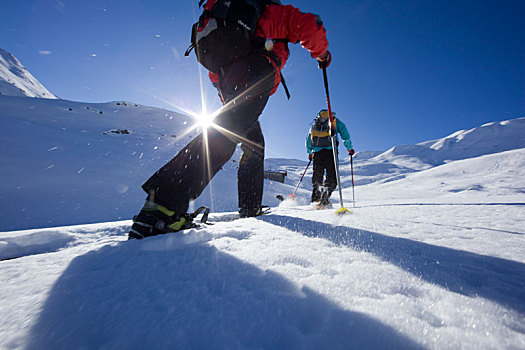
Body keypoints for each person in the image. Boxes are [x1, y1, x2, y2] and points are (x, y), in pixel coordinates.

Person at [129, 1, 332, 239]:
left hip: (229, 80)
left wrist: (225, 94)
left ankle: (249, 206)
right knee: (226, 134)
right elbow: (310, 25)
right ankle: (162, 208)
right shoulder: (269, 11)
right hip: (256, 72)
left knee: (253, 142)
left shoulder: (228, 16)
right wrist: (322, 54)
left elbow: (216, 69)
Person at [306, 109, 354, 208]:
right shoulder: (334, 121)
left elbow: (308, 139)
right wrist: (349, 148)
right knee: (332, 176)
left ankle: (315, 201)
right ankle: (325, 197)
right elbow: (345, 135)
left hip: (317, 153)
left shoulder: (316, 123)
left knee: (317, 177)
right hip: (330, 152)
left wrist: (310, 152)